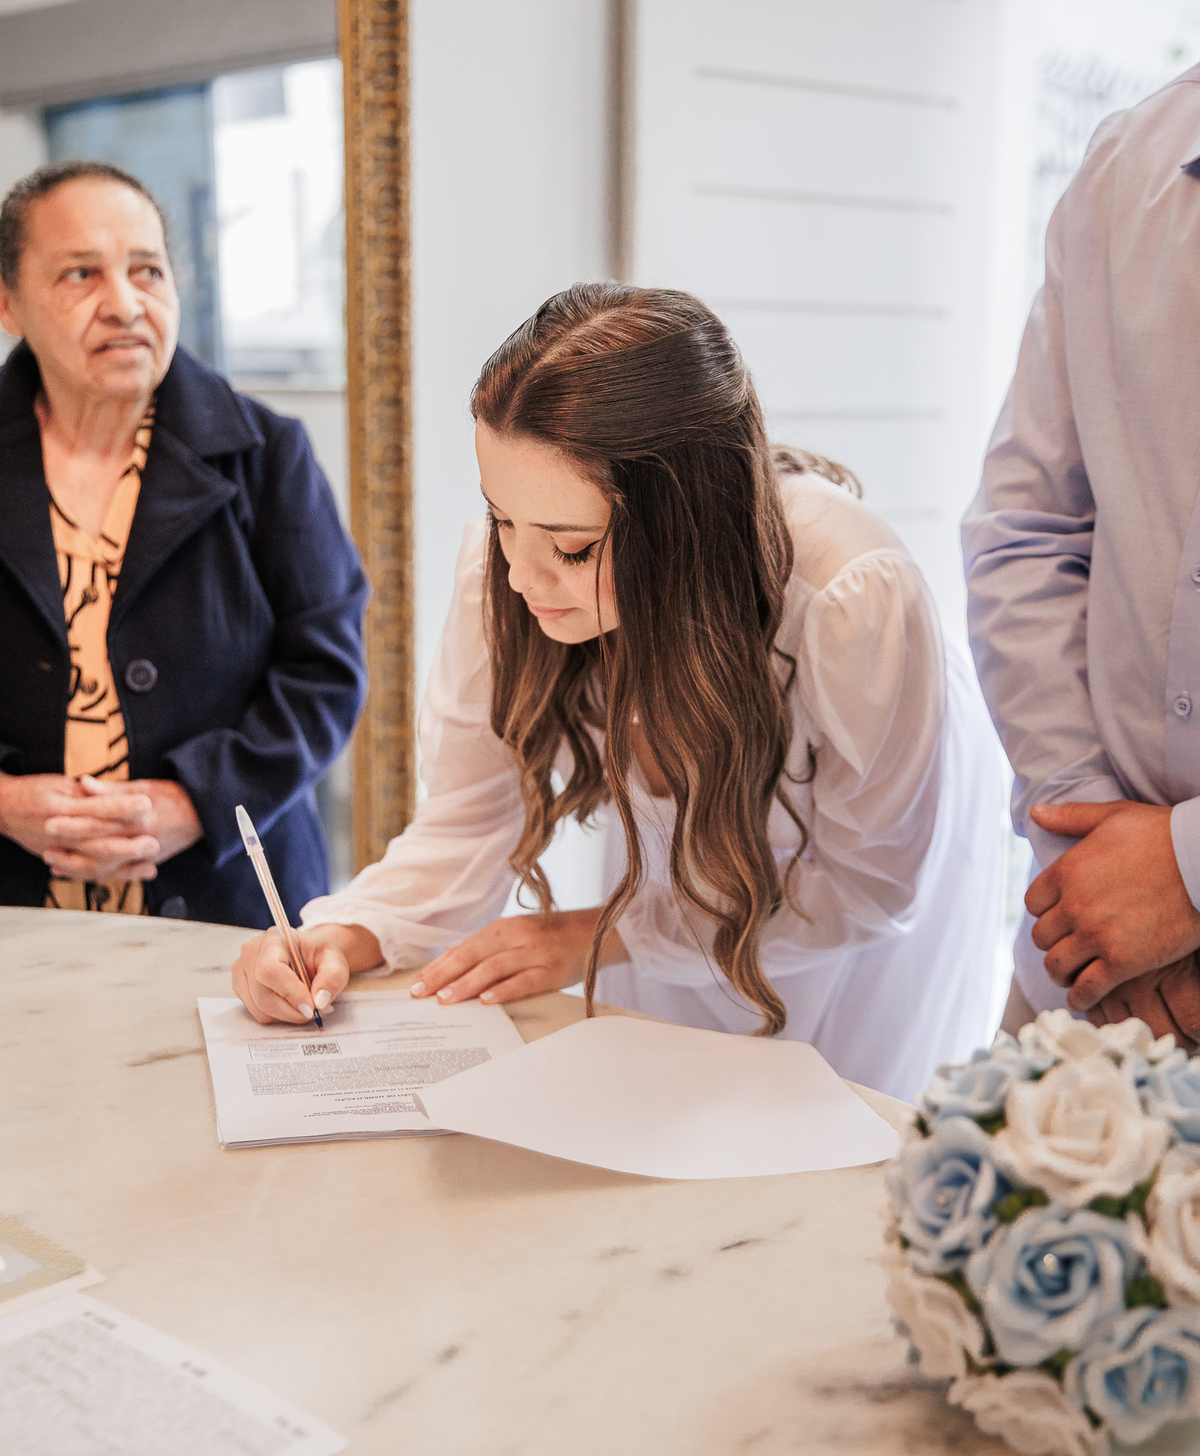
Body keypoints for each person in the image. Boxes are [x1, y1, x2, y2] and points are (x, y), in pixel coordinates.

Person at [234, 283, 1003, 1098]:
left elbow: (867, 885)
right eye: (500, 519)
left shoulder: (852, 603)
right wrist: (345, 934)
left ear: (685, 524)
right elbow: (468, 815)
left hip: (854, 918)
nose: (521, 578)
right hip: (681, 895)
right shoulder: (514, 571)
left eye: (571, 548)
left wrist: (603, 933)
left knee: (834, 1118)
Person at [0, 160, 367, 926]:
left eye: (148, 270)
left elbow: (325, 673)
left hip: (230, 905)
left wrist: (199, 801)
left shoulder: (268, 454)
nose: (125, 304)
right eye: (80, 274)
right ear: (10, 304)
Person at [964, 64, 1200, 1044]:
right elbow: (1024, 529)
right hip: (1084, 962)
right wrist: (1089, 841)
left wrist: (1188, 871)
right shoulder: (1124, 160)